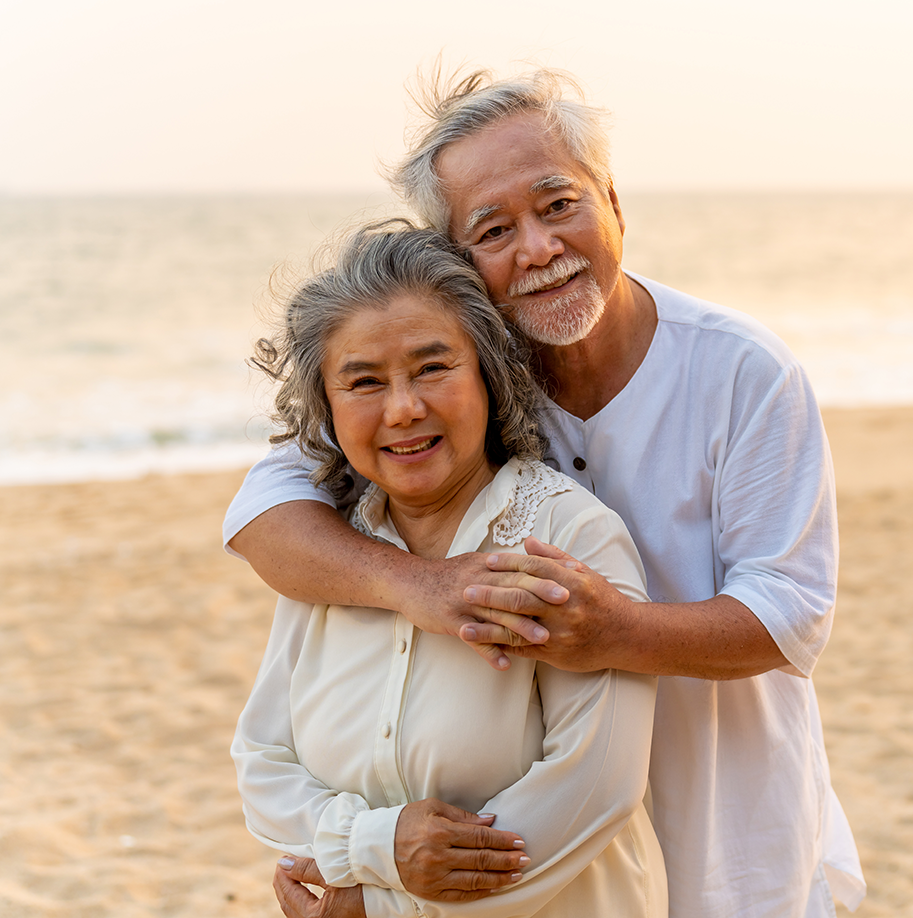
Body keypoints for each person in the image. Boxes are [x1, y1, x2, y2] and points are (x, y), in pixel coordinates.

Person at [225, 70, 866, 918]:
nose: (536, 248)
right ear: (458, 263)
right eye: (494, 230)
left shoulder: (742, 372)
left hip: (734, 835)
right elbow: (264, 516)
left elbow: (790, 614)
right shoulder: (456, 387)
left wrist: (614, 631)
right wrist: (425, 589)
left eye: (558, 204)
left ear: (613, 203)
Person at [231, 225, 666, 917]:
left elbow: (593, 791)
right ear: (329, 408)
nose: (403, 409)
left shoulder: (566, 535)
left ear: (489, 375)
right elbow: (262, 761)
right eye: (364, 382)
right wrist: (376, 850)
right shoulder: (335, 551)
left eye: (432, 368)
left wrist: (377, 905)